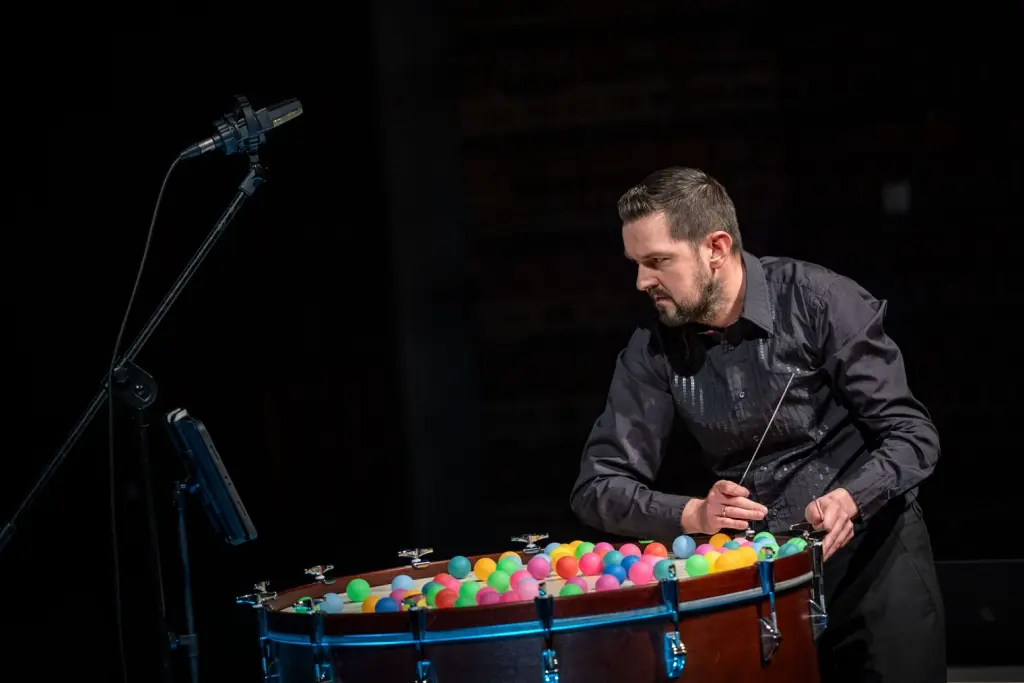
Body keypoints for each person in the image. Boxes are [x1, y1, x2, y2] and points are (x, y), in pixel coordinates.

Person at [570, 167, 946, 683]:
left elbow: (913, 434)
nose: (641, 281)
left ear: (716, 248)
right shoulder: (653, 348)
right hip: (762, 586)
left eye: (657, 261)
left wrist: (852, 498)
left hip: (873, 563)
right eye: (635, 264)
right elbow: (597, 486)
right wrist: (695, 514)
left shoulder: (818, 300)